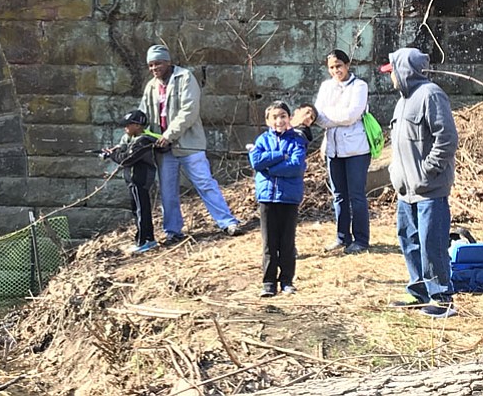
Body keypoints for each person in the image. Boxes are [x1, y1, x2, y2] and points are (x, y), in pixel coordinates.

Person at [381, 47, 459, 318]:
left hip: (429, 189)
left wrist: (428, 171)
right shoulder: (402, 100)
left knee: (431, 242)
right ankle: (419, 293)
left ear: (405, 70)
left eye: (392, 72)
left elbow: (446, 139)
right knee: (409, 240)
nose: (390, 77)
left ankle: (442, 297)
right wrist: (395, 173)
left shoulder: (431, 94)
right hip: (406, 191)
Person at [139, 44, 240, 244]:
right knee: (167, 191)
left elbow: (189, 110)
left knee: (205, 183)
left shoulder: (185, 77)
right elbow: (142, 115)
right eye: (150, 65)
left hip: (188, 144)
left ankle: (228, 222)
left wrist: (169, 134)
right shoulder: (151, 86)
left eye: (158, 63)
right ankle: (173, 231)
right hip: (163, 148)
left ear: (168, 62)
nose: (154, 68)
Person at [248, 101, 308, 297]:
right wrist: (281, 154)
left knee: (287, 242)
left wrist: (270, 167)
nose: (279, 120)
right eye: (274, 117)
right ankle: (268, 283)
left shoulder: (297, 140)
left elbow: (296, 166)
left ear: (289, 118)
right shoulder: (262, 140)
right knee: (269, 243)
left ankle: (287, 281)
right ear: (267, 121)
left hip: (289, 198)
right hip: (267, 198)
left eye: (282, 116)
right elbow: (256, 162)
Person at [314, 49, 371, 255]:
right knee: (339, 195)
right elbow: (317, 116)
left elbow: (351, 115)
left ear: (347, 65)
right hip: (333, 148)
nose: (335, 70)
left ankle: (361, 239)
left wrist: (327, 116)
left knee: (356, 195)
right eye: (331, 67)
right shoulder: (326, 86)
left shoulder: (360, 86)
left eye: (339, 66)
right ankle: (342, 236)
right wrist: (327, 117)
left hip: (356, 149)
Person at [102, 109, 159, 254]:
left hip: (140, 180)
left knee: (141, 211)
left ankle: (143, 242)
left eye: (128, 124)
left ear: (138, 126)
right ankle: (149, 239)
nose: (125, 127)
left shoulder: (143, 141)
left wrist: (113, 155)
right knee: (138, 210)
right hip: (134, 182)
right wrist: (115, 150)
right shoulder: (133, 139)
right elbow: (126, 150)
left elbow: (127, 159)